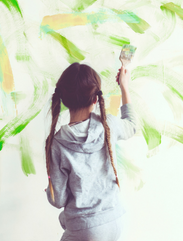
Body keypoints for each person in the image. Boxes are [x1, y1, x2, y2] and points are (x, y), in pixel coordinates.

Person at [45, 63, 138, 241]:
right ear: (95, 99)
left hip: (85, 229)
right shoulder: (108, 125)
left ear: (64, 101)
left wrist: (49, 190)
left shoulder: (57, 143)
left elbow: (58, 200)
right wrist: (124, 85)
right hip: (116, 220)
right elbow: (132, 125)